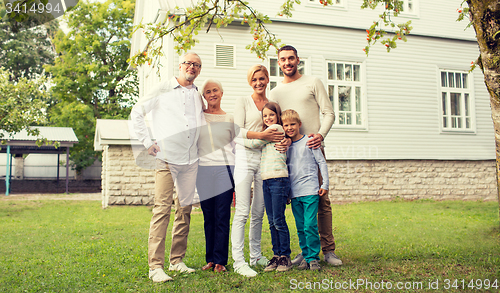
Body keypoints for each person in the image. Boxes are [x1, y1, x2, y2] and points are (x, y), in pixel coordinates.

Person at [130, 52, 205, 282]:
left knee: (184, 211)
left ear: (199, 70)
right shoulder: (163, 88)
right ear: (180, 65)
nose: (191, 67)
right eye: (188, 63)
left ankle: (177, 261)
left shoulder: (197, 94)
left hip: (191, 160)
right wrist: (146, 142)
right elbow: (137, 112)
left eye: (196, 65)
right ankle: (155, 267)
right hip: (166, 159)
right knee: (162, 210)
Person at [270, 45, 343, 266]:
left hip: (312, 149)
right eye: (283, 59)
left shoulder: (313, 82)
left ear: (298, 60)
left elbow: (329, 112)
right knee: (298, 203)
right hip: (290, 155)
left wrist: (320, 135)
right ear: (278, 62)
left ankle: (328, 250)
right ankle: (305, 251)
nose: (287, 62)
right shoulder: (275, 92)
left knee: (321, 200)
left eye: (291, 58)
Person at [231, 64, 285, 277]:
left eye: (262, 79)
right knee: (242, 211)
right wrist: (261, 136)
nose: (258, 83)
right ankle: (238, 261)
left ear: (267, 79)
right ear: (249, 81)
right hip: (245, 158)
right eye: (254, 80)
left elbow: (281, 128)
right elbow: (236, 133)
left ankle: (255, 256)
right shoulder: (243, 101)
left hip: (265, 161)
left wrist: (285, 141)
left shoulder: (272, 104)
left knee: (258, 211)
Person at [236, 102, 292, 272]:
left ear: (278, 117)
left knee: (279, 220)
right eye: (265, 116)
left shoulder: (276, 129)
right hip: (266, 180)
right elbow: (257, 143)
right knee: (272, 220)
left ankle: (285, 257)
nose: (268, 118)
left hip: (278, 180)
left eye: (271, 115)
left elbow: (254, 143)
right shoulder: (267, 134)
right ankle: (276, 256)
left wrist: (239, 139)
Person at [196, 79, 236, 273]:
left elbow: (236, 148)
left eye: (215, 90)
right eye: (208, 92)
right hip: (203, 169)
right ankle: (210, 259)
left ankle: (220, 261)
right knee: (208, 216)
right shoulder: (199, 117)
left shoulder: (229, 118)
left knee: (222, 214)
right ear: (204, 96)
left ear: (222, 93)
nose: (212, 94)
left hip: (225, 169)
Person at [283, 109, 328, 271]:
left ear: (299, 124)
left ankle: (313, 258)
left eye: (292, 124)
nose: (289, 128)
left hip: (310, 191)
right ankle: (306, 255)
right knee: (301, 227)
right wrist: (287, 193)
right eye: (286, 125)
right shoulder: (286, 147)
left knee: (310, 225)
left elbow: (321, 163)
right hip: (295, 194)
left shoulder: (309, 141)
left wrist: (325, 185)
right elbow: (286, 171)